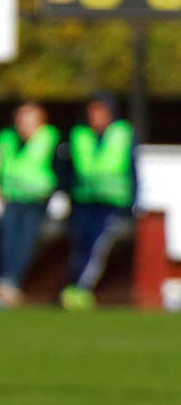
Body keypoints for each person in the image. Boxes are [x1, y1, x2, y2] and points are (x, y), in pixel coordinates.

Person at [60, 94, 138, 311]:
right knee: (80, 243)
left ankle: (80, 288)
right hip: (83, 200)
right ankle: (74, 286)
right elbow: (68, 171)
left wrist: (132, 204)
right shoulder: (80, 135)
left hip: (112, 202)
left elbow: (133, 170)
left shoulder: (123, 134)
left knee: (97, 245)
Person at [0, 102, 61, 309]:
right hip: (12, 199)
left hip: (36, 201)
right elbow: (0, 168)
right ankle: (6, 284)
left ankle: (8, 283)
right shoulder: (7, 138)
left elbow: (58, 170)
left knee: (25, 239)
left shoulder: (50, 139)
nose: (22, 124)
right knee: (7, 238)